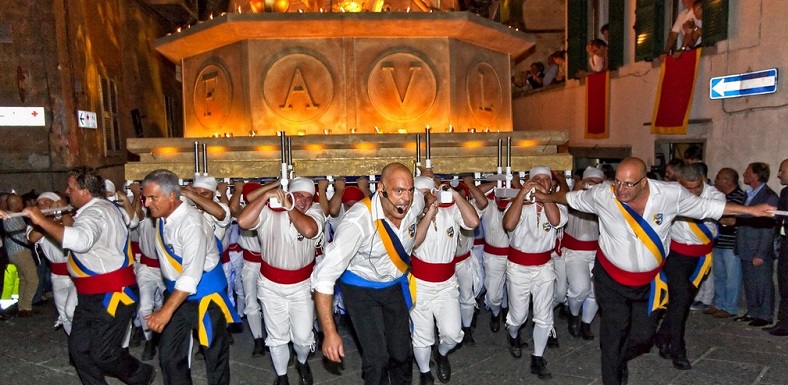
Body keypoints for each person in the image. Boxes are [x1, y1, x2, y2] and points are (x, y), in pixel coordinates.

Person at [534, 157, 775, 385]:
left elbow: (706, 207)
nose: (620, 189)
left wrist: (751, 211)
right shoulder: (602, 196)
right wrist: (548, 197)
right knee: (612, 336)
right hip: (611, 280)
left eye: (628, 184)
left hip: (649, 283)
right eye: (617, 181)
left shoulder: (670, 195)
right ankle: (613, 373)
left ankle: (619, 360)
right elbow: (572, 198)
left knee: (643, 337)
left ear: (644, 181)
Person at [11, 167, 155, 385]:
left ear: (85, 191)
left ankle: (142, 374)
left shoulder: (95, 213)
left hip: (111, 294)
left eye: (70, 188)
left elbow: (80, 241)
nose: (66, 192)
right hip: (90, 295)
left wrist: (41, 220)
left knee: (104, 354)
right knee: (79, 350)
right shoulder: (98, 208)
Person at [312, 162, 424, 385]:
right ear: (381, 188)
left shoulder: (416, 202)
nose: (406, 199)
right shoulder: (357, 222)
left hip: (393, 284)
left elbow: (422, 199)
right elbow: (323, 277)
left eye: (410, 190)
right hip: (361, 289)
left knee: (402, 353)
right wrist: (329, 332)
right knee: (377, 359)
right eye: (398, 191)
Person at [142, 169, 239, 385]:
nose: (147, 203)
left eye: (153, 198)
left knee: (214, 355)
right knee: (169, 356)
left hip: (205, 295)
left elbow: (191, 275)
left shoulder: (191, 223)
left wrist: (165, 311)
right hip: (177, 293)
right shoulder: (163, 215)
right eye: (145, 197)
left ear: (172, 196)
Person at [237, 177, 325, 385]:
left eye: (308, 198)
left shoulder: (315, 212)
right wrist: (265, 196)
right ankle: (282, 376)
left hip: (302, 287)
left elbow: (309, 230)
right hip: (270, 285)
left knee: (303, 338)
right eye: (299, 196)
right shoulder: (269, 213)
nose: (303, 201)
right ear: (288, 193)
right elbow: (243, 221)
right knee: (277, 338)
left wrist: (289, 207)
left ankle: (302, 361)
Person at [654, 163, 725, 370]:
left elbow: (710, 213)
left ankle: (662, 336)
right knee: (680, 299)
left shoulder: (715, 196)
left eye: (697, 187)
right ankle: (678, 350)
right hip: (675, 255)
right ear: (679, 183)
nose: (693, 192)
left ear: (703, 180)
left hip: (701, 259)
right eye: (688, 188)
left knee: (681, 303)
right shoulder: (673, 193)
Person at [410, 176, 479, 384]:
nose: (425, 197)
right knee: (422, 337)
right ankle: (424, 373)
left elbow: (473, 222)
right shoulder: (408, 216)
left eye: (428, 192)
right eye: (419, 194)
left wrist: (455, 194)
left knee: (453, 334)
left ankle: (441, 354)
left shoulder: (450, 210)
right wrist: (428, 212)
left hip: (447, 284)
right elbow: (413, 242)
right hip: (419, 284)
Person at [502, 166, 567, 380]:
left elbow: (556, 221)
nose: (541, 182)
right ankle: (513, 335)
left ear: (552, 184)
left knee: (544, 316)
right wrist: (521, 194)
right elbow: (508, 224)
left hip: (544, 268)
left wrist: (545, 198)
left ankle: (537, 358)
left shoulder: (557, 206)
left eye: (545, 180)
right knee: (518, 317)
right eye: (536, 179)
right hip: (518, 268)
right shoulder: (518, 205)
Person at [733, 162, 779, 327]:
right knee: (750, 282)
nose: (744, 174)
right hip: (745, 244)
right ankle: (752, 311)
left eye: (747, 172)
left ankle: (765, 315)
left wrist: (761, 252)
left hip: (758, 247)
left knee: (763, 283)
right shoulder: (748, 194)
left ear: (756, 175)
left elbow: (769, 228)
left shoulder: (769, 196)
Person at [563, 167, 605, 341]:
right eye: (590, 182)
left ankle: (586, 323)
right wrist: (580, 187)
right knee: (580, 288)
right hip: (575, 252)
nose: (593, 187)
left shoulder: (605, 202)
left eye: (597, 183)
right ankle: (573, 315)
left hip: (598, 252)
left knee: (595, 291)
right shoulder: (574, 199)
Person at [26, 192, 76, 333]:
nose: (42, 206)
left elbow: (71, 229)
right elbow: (32, 238)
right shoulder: (37, 224)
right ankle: (75, 345)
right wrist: (45, 220)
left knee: (71, 310)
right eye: (39, 204)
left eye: (46, 202)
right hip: (57, 275)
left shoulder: (69, 217)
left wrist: (62, 211)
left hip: (75, 274)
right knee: (63, 313)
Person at [705, 168, 746, 318]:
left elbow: (731, 220)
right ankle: (719, 304)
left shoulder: (739, 197)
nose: (715, 181)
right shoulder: (720, 196)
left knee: (732, 278)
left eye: (718, 178)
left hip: (731, 245)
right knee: (719, 277)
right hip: (718, 243)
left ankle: (730, 307)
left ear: (727, 181)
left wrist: (713, 216)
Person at [2, 194, 38, 317]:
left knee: (24, 279)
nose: (22, 205)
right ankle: (26, 307)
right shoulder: (11, 217)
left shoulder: (12, 216)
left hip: (16, 252)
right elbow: (26, 235)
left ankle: (22, 306)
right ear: (16, 204)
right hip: (20, 252)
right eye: (21, 203)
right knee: (33, 279)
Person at [768, 158, 788, 336]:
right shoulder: (784, 192)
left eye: (782, 171)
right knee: (784, 282)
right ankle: (784, 322)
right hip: (784, 243)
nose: (779, 174)